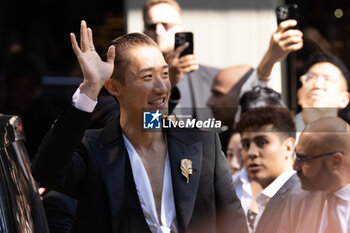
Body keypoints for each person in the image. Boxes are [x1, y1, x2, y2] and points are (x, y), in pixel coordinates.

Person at [31, 20, 248, 233]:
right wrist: (90, 88)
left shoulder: (203, 142)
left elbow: (233, 222)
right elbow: (46, 171)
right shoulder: (93, 149)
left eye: (164, 74)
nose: (162, 87)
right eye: (147, 77)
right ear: (113, 87)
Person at [234, 106, 300, 233]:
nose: (251, 153)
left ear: (288, 147)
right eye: (246, 145)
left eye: (262, 143)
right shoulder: (232, 187)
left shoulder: (304, 196)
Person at [278, 117, 350, 233]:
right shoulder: (296, 199)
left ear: (335, 162)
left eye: (303, 158)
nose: (295, 166)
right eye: (296, 156)